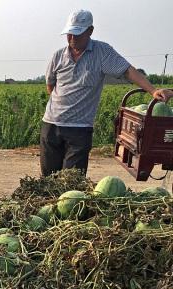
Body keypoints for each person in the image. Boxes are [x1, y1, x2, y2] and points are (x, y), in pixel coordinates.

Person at [41, 9, 173, 177]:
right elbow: (50, 86)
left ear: (90, 31)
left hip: (79, 129)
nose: (72, 39)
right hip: (51, 126)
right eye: (69, 34)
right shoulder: (58, 56)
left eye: (78, 34)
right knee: (47, 179)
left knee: (71, 182)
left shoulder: (102, 52)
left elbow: (127, 71)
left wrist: (153, 90)